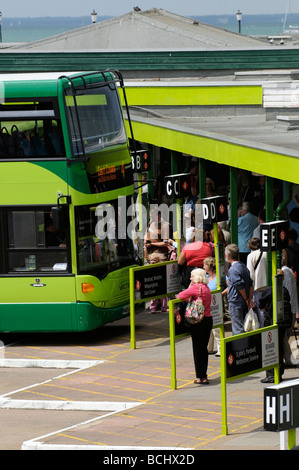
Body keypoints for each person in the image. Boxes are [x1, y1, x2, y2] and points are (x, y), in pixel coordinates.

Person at [178, 268, 213, 384]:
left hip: (198, 322)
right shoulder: (206, 288)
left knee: (197, 349)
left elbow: (180, 295)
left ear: (196, 277)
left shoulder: (195, 288)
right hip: (208, 320)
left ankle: (201, 377)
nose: (190, 278)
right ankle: (204, 375)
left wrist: (190, 286)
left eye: (192, 276)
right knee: (203, 348)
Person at [259, 286, 292, 383]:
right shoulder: (284, 289)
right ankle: (279, 372)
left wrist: (264, 306)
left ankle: (271, 374)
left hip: (272, 321)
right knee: (279, 347)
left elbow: (261, 302)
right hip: (283, 321)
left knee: (269, 348)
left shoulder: (270, 290)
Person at [223, 244, 254, 335]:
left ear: (228, 255)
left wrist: (246, 298)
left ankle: (241, 348)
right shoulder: (243, 266)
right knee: (244, 326)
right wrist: (249, 298)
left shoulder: (233, 269)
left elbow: (239, 286)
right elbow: (250, 284)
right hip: (243, 301)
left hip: (236, 301)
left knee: (238, 329)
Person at [246, 237, 267, 327]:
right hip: (268, 286)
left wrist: (250, 295)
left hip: (257, 287)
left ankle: (263, 331)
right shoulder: (267, 253)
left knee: (260, 311)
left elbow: (250, 276)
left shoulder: (251, 256)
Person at [203, 256, 220, 357]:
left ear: (210, 266)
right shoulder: (204, 277)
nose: (203, 266)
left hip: (216, 305)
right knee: (208, 328)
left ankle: (220, 349)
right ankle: (209, 348)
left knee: (216, 328)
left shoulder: (219, 277)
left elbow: (229, 284)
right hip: (207, 305)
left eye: (205, 265)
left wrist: (221, 294)